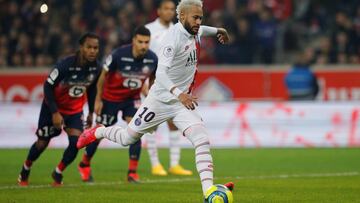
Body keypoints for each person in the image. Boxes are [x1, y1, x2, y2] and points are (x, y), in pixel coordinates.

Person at [77, 0, 234, 201]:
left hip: (181, 104)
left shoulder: (195, 30)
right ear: (183, 16)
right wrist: (180, 94)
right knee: (127, 138)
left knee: (202, 139)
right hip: (160, 100)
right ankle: (97, 131)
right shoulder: (172, 39)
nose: (198, 21)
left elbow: (203, 29)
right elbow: (160, 73)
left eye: (200, 17)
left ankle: (209, 192)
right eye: (195, 17)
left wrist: (219, 30)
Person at [17, 33, 101, 186]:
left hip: (74, 110)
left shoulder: (97, 68)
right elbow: (48, 86)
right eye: (89, 47)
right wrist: (55, 112)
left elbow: (92, 89)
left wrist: (90, 112)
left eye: (96, 48)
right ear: (81, 47)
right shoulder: (65, 65)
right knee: (42, 143)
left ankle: (58, 172)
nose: (92, 51)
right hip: (53, 109)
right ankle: (25, 169)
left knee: (76, 143)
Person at [77, 26, 158, 183]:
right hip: (110, 99)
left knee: (136, 132)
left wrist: (151, 97)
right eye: (140, 42)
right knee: (99, 133)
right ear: (134, 40)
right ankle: (84, 163)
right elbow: (102, 77)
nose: (143, 46)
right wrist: (98, 100)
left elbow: (153, 79)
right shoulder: (118, 55)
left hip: (132, 99)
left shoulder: (153, 59)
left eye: (146, 42)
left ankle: (132, 173)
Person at [144, 0, 192, 176]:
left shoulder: (180, 30)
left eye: (172, 9)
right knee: (151, 125)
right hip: (153, 84)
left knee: (174, 124)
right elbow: (143, 59)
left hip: (173, 84)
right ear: (158, 11)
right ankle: (155, 164)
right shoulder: (149, 30)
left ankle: (174, 164)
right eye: (166, 8)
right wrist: (144, 84)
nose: (169, 12)